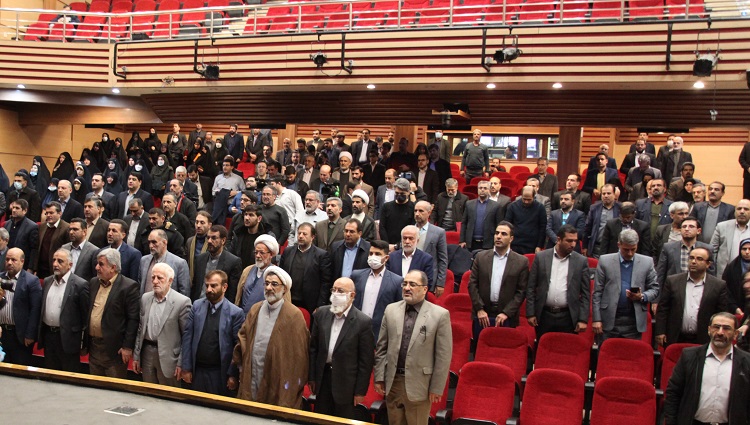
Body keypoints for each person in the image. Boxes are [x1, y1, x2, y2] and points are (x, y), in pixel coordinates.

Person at [374, 270, 452, 425]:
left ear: (425, 289)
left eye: (412, 284)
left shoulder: (440, 315)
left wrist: (437, 387)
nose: (407, 288)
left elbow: (443, 356)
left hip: (420, 385)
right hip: (393, 381)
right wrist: (379, 377)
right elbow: (382, 347)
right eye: (405, 284)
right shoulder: (391, 310)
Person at [233, 266, 309, 408]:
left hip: (278, 377)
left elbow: (299, 357)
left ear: (284, 289)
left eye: (274, 284)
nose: (269, 288)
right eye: (266, 283)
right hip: (253, 372)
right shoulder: (255, 309)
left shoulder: (294, 315)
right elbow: (243, 337)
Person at [664, 312, 750, 424]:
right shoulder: (689, 356)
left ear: (735, 334)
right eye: (716, 327)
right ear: (709, 330)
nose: (720, 332)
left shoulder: (747, 361)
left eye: (726, 328)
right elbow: (673, 393)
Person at [308, 277, 375, 419]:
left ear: (352, 295)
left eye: (340, 291)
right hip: (323, 380)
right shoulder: (321, 314)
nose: (335, 294)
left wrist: (360, 391)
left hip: (347, 385)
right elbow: (313, 349)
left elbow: (366, 361)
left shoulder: (363, 322)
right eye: (334, 290)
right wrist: (312, 377)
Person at [180, 270, 244, 397]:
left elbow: (237, 347)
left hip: (220, 373)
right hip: (197, 371)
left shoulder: (235, 313)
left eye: (213, 285)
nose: (209, 289)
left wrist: (233, 374)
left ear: (224, 287)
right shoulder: (197, 306)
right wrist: (186, 367)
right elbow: (187, 337)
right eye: (207, 285)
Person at [592, 229, 659, 341]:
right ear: (619, 244)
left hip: (634, 320)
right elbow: (597, 292)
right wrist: (597, 319)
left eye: (633, 249)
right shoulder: (605, 261)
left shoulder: (647, 262)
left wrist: (642, 296)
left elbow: (655, 289)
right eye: (626, 249)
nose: (630, 253)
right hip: (609, 319)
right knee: (607, 350)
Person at [655, 247, 728, 347]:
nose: (693, 261)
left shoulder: (718, 285)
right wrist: (660, 331)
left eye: (699, 259)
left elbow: (721, 314)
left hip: (703, 338)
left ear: (708, 264)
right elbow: (663, 309)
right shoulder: (673, 281)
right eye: (691, 258)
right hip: (676, 336)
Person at [133, 263, 192, 387]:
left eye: (160, 278)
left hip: (170, 358)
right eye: (153, 277)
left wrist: (181, 362)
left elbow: (187, 337)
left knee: (169, 395)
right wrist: (136, 356)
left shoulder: (182, 302)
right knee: (148, 393)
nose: (155, 281)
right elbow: (140, 329)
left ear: (170, 281)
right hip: (147, 353)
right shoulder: (145, 298)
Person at [526, 225, 590, 338]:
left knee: (565, 347)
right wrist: (530, 313)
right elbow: (531, 287)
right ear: (558, 239)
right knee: (543, 346)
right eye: (569, 241)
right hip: (544, 315)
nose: (573, 244)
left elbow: (585, 293)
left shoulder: (581, 261)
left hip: (568, 317)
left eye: (575, 241)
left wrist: (583, 319)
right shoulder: (541, 257)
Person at [85, 248, 140, 378]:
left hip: (114, 350)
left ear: (113, 267)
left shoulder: (128, 286)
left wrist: (127, 347)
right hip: (94, 346)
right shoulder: (93, 282)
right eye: (97, 264)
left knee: (114, 387)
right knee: (94, 386)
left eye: (101, 264)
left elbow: (133, 320)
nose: (97, 267)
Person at [468, 220, 529, 333]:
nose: (499, 236)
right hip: (482, 314)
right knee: (480, 343)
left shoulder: (521, 262)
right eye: (497, 233)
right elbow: (472, 284)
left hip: (507, 316)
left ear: (511, 239)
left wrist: (507, 313)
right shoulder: (481, 257)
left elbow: (521, 292)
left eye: (503, 234)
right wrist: (479, 309)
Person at [37, 249, 89, 372]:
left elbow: (86, 318)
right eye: (54, 260)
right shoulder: (47, 281)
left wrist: (84, 344)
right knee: (50, 374)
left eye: (60, 261)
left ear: (70, 265)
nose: (55, 264)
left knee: (68, 376)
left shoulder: (80, 285)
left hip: (68, 339)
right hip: (49, 336)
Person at [351, 240, 404, 338]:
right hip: (355, 329)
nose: (373, 257)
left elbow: (398, 309)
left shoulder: (397, 281)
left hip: (380, 332)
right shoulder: (357, 275)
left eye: (377, 254)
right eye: (371, 253)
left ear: (386, 258)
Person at [279, 222, 333, 315]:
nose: (300, 236)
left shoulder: (321, 255)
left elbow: (325, 283)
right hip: (288, 299)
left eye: (304, 234)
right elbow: (281, 275)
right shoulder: (288, 252)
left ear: (312, 237)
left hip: (309, 304)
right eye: (299, 233)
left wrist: (320, 305)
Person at [0, 248, 42, 365]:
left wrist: (30, 334)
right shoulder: (0, 278)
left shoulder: (32, 281)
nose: (9, 262)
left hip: (20, 335)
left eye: (13, 260)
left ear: (22, 261)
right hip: (1, 333)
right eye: (7, 259)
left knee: (19, 368)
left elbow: (35, 309)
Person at [190, 225, 242, 302]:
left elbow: (232, 293)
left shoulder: (233, 262)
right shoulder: (200, 259)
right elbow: (195, 287)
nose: (209, 241)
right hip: (199, 303)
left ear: (223, 240)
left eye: (213, 238)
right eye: (208, 238)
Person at [139, 229, 190, 297]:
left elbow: (184, 292)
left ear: (164, 242)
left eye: (154, 242)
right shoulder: (144, 261)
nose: (151, 246)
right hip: (147, 303)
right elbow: (140, 286)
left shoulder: (179, 263)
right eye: (149, 242)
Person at [236, 234, 278, 313]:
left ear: (271, 254)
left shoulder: (278, 274)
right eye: (256, 252)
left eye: (262, 253)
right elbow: (238, 297)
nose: (258, 256)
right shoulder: (247, 270)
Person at [459, 180, 503, 251]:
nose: (482, 190)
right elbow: (464, 223)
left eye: (485, 188)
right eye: (480, 188)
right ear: (477, 189)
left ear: (489, 190)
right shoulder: (469, 204)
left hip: (488, 243)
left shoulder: (496, 206)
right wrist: (462, 240)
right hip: (470, 243)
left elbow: (498, 225)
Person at [387, 225, 435, 290]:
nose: (407, 241)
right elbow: (387, 279)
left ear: (417, 241)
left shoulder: (426, 259)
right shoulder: (391, 257)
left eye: (411, 238)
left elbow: (427, 283)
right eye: (404, 238)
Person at [711, 199, 750, 277]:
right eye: (739, 209)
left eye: (746, 209)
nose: (742, 211)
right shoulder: (722, 227)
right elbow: (712, 251)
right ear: (735, 211)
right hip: (725, 275)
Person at [505, 186, 548, 254]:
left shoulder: (540, 208)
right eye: (524, 199)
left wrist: (539, 246)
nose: (526, 202)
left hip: (532, 245)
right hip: (515, 243)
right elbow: (507, 225)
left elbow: (543, 227)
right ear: (521, 196)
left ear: (534, 197)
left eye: (529, 199)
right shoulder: (513, 206)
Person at [583, 184, 620, 258]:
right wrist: (585, 246)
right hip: (597, 248)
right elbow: (587, 228)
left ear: (614, 194)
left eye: (608, 193)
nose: (606, 196)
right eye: (603, 194)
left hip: (614, 248)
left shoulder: (620, 208)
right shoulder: (594, 208)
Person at [35, 202, 70, 279]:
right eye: (47, 213)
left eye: (51, 213)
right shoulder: (41, 226)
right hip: (40, 269)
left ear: (60, 213)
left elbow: (68, 250)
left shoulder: (66, 228)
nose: (48, 215)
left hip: (56, 268)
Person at [379, 178, 416, 248]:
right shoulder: (386, 206)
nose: (399, 195)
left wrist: (398, 246)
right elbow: (382, 227)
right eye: (397, 193)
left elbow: (412, 228)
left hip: (405, 245)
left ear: (408, 192)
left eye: (402, 193)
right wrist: (387, 245)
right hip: (388, 245)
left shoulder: (413, 207)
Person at [4, 199, 39, 272]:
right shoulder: (7, 224)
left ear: (24, 211)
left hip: (23, 265)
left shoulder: (32, 227)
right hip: (7, 263)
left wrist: (30, 268)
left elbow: (34, 249)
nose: (14, 210)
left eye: (17, 208)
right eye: (13, 207)